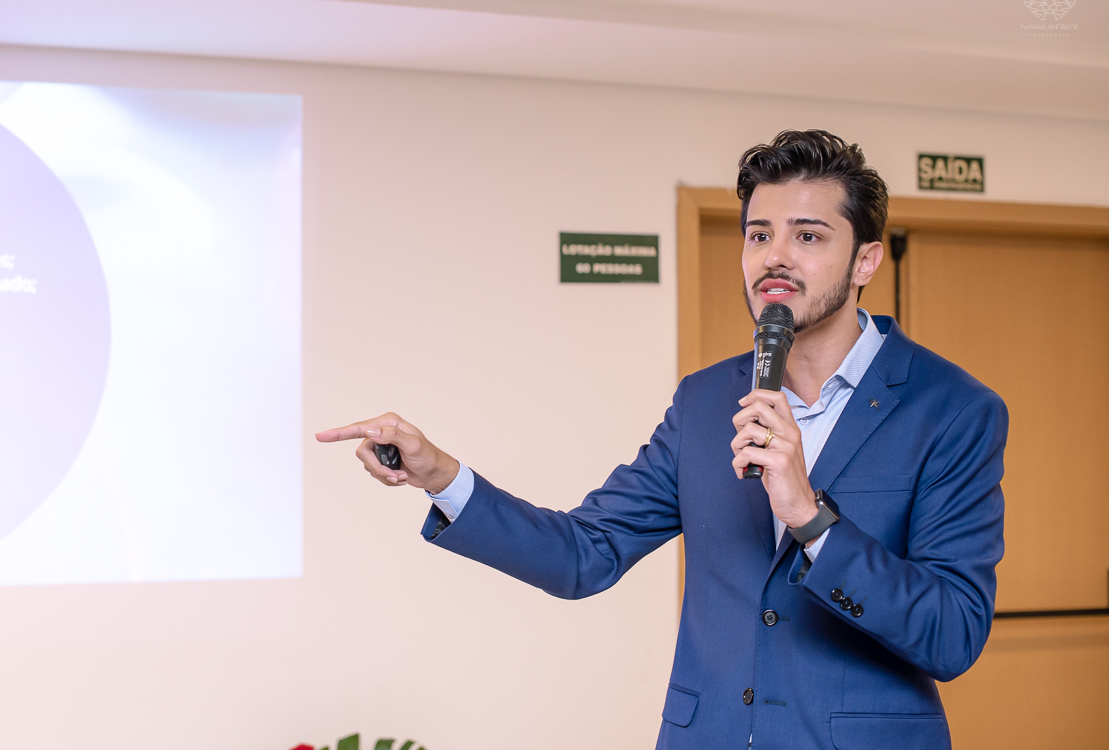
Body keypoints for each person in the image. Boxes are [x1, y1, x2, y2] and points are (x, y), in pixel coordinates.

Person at [316, 129, 1007, 750]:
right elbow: (583, 554)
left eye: (808, 236)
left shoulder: (953, 410)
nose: (775, 257)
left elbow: (952, 634)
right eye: (758, 235)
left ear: (866, 260)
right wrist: (441, 475)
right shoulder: (705, 401)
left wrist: (809, 516)